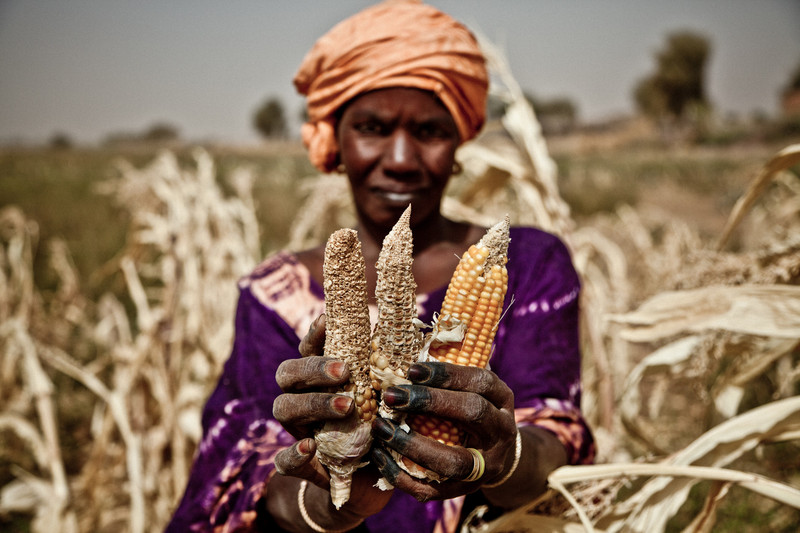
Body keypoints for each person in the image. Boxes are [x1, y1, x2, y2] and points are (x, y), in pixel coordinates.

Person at [167, 1, 594, 531]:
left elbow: (555, 439)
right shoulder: (272, 296)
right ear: (335, 141)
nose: (400, 158)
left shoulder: (529, 264)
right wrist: (337, 494)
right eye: (371, 127)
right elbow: (248, 466)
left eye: (431, 131)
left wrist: (500, 458)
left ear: (460, 144)